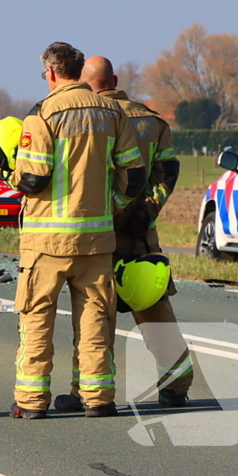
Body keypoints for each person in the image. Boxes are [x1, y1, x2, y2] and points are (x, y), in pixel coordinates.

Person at [11, 42, 145, 420]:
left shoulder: (43, 114)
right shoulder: (112, 113)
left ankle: (32, 402)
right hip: (97, 240)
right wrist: (111, 207)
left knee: (37, 318)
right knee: (96, 319)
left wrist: (11, 171)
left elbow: (34, 178)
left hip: (46, 242)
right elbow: (133, 176)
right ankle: (98, 399)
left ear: (51, 73)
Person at [70, 55, 192, 408]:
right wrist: (148, 209)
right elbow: (167, 172)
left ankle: (86, 391)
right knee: (155, 313)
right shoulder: (151, 121)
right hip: (140, 234)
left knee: (93, 315)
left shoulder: (88, 119)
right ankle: (177, 385)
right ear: (116, 79)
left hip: (98, 232)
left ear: (81, 83)